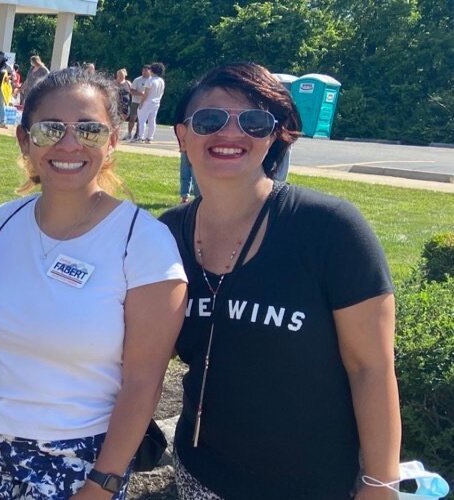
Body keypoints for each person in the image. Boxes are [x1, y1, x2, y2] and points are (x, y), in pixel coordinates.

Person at [159, 62, 401, 500]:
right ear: (182, 135)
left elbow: (372, 367)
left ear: (274, 136)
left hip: (312, 485)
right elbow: (147, 351)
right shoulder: (166, 235)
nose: (230, 134)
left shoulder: (329, 228)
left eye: (254, 121)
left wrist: (381, 482)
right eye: (210, 120)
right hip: (201, 476)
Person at [0, 68, 188, 499]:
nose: (69, 143)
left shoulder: (143, 242)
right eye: (50, 128)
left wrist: (103, 482)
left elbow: (143, 382)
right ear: (25, 140)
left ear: (112, 140)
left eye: (89, 130)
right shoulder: (0, 224)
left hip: (75, 458)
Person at [135, 62, 165, 144]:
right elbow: (162, 93)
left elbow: (146, 94)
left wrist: (141, 103)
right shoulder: (161, 81)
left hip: (148, 102)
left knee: (142, 120)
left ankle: (140, 137)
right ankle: (149, 138)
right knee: (152, 120)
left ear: (152, 70)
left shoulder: (150, 80)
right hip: (156, 102)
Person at [123, 65, 151, 141]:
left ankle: (138, 134)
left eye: (146, 71)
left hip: (146, 102)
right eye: (143, 71)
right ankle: (129, 133)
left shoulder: (151, 81)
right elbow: (132, 91)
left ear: (150, 71)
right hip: (136, 101)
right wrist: (140, 93)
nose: (144, 72)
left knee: (141, 120)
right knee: (132, 118)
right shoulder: (137, 80)